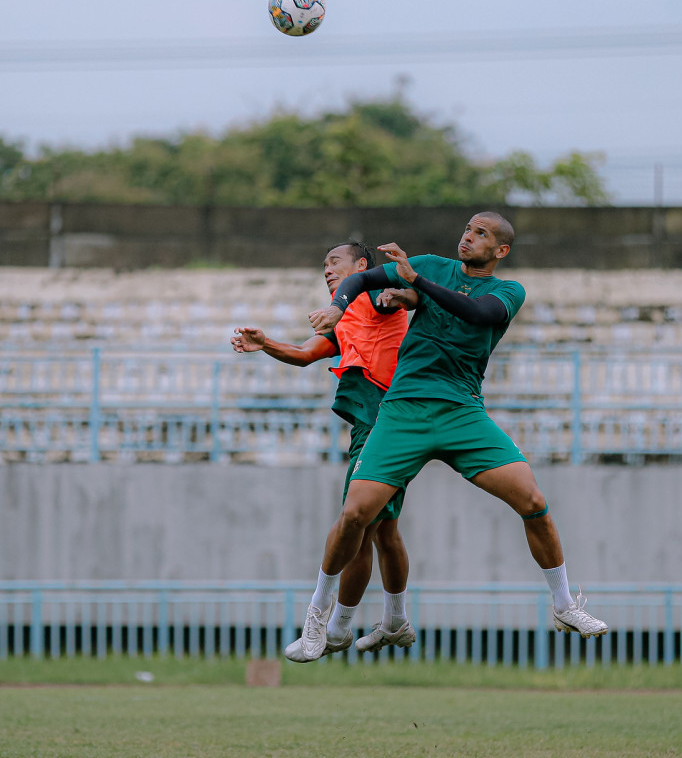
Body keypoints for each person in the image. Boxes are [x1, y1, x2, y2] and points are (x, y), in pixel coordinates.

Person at [296, 211, 608, 662]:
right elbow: (362, 281)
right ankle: (317, 620)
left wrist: (415, 286)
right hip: (403, 409)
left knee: (533, 502)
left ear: (500, 251)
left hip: (462, 410)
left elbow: (474, 312)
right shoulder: (431, 265)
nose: (468, 237)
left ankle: (564, 606)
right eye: (467, 229)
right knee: (354, 516)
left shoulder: (506, 291)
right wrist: (339, 307)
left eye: (481, 234)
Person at [231, 241, 420, 660]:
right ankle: (393, 620)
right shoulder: (346, 319)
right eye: (324, 265)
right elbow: (303, 354)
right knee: (381, 530)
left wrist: (398, 291)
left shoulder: (372, 297)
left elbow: (397, 298)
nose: (327, 270)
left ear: (362, 266)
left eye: (335, 262)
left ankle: (334, 626)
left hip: (384, 420)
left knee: (357, 525)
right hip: (378, 424)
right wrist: (266, 344)